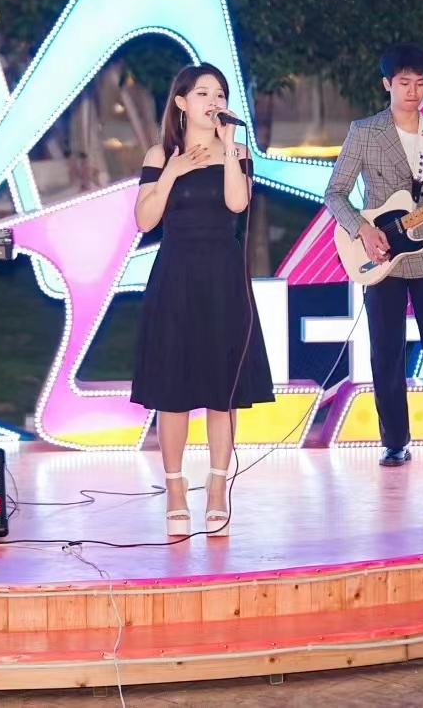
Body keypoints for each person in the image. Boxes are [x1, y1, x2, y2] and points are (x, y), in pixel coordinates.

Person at [324, 44, 423, 472]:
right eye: (403, 83)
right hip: (380, 252)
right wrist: (362, 229)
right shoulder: (365, 131)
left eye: (420, 83)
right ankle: (394, 441)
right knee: (386, 350)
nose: (412, 91)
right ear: (387, 84)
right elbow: (335, 192)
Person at [131, 63, 274, 538]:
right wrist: (171, 172)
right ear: (181, 101)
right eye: (203, 93)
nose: (213, 101)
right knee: (173, 390)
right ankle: (175, 490)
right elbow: (144, 220)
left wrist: (229, 148)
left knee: (221, 389)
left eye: (220, 94)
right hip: (176, 274)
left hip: (222, 275)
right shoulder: (161, 153)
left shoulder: (237, 150)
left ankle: (216, 488)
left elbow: (237, 204)